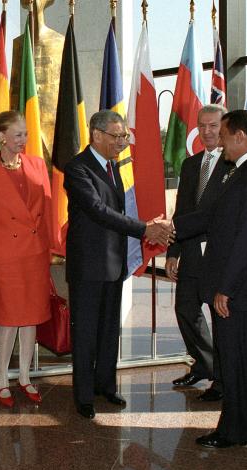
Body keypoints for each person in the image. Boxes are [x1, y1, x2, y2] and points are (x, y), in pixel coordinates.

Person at [173, 109, 247, 449]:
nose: (219, 142)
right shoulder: (245, 171)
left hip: (243, 285)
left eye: (223, 135)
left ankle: (234, 430)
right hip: (240, 282)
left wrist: (225, 288)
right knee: (236, 355)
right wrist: (172, 228)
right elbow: (215, 216)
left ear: (240, 136)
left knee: (234, 356)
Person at [63, 110, 173, 419]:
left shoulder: (114, 167)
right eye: (117, 136)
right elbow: (98, 211)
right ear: (96, 135)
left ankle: (105, 386)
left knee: (109, 329)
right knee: (85, 333)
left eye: (124, 136)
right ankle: (84, 396)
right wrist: (144, 229)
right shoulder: (77, 169)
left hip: (113, 263)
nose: (122, 142)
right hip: (88, 267)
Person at [0, 110, 52, 407]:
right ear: (1, 137)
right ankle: (2, 378)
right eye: (18, 135)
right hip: (5, 259)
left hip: (34, 254)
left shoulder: (38, 165)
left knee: (30, 320)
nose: (24, 140)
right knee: (9, 320)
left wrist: (51, 246)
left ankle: (26, 376)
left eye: (26, 134)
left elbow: (48, 209)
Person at [165, 105, 231, 402]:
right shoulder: (190, 165)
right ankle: (206, 364)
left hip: (220, 255)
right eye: (202, 126)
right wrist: (172, 251)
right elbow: (182, 212)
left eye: (213, 126)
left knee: (220, 319)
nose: (207, 131)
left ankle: (222, 378)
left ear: (225, 127)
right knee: (185, 310)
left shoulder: (235, 164)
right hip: (191, 252)